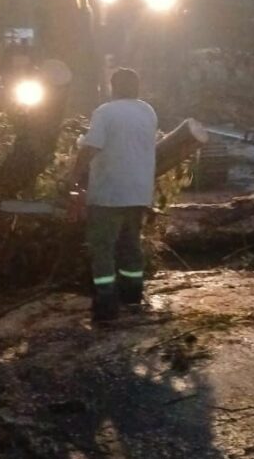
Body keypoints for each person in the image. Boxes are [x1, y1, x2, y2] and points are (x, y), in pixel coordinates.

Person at [67, 68, 158, 323]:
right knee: (131, 245)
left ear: (112, 87)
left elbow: (91, 147)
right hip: (139, 192)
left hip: (109, 192)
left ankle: (106, 301)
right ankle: (132, 295)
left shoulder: (105, 112)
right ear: (137, 87)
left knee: (102, 247)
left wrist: (73, 175)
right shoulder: (147, 112)